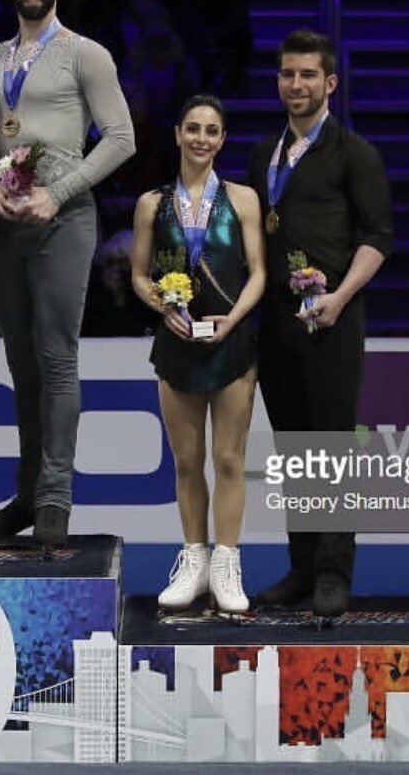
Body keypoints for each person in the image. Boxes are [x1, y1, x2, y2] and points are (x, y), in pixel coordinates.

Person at [0, 0, 135, 545]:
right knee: (20, 363)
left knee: (56, 356)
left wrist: (56, 193)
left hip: (63, 221)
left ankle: (55, 503)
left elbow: (121, 137)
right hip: (6, 223)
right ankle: (27, 493)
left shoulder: (86, 54)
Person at [248, 29, 392, 618]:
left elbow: (379, 237)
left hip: (332, 319)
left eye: (308, 74)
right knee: (293, 450)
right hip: (275, 319)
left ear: (330, 83)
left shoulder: (354, 152)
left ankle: (334, 572)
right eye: (287, 74)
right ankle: (303, 567)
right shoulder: (264, 154)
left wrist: (339, 296)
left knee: (330, 450)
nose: (296, 84)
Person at [131, 95, 265, 613]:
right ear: (178, 134)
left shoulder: (244, 199)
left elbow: (257, 273)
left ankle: (227, 563)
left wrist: (235, 318)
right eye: (193, 128)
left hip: (232, 343)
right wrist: (162, 307)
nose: (201, 139)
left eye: (212, 130)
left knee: (229, 459)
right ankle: (194, 559)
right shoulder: (151, 204)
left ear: (223, 139)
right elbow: (141, 275)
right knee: (187, 462)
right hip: (176, 342)